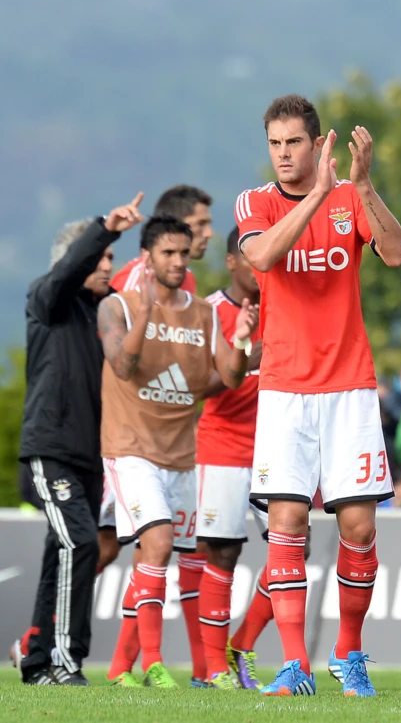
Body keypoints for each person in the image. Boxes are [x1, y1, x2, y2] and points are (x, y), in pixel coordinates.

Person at [235, 94, 401, 697]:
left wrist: (362, 186)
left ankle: (347, 653)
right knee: (287, 523)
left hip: (349, 387)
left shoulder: (349, 198)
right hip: (284, 388)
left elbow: (395, 254)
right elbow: (261, 255)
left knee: (358, 529)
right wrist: (316, 195)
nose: (283, 154)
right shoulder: (256, 202)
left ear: (315, 143)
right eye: (274, 144)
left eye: (293, 143)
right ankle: (293, 665)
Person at [99, 216, 257, 689]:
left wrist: (242, 339)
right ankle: (153, 663)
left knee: (158, 559)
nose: (178, 261)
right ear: (146, 257)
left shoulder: (202, 314)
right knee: (160, 545)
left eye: (183, 253)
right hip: (130, 450)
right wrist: (147, 315)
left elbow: (230, 377)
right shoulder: (117, 306)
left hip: (182, 457)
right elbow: (121, 365)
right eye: (168, 252)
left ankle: (120, 669)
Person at [16, 195, 144, 686]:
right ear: (75, 258)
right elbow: (67, 271)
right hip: (51, 451)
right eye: (100, 256)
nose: (107, 264)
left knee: (62, 553)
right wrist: (105, 228)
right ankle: (66, 659)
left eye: (111, 257)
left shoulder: (103, 315)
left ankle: (37, 662)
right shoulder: (46, 300)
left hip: (91, 456)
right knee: (81, 542)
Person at [191, 227, 265, 690]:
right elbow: (200, 385)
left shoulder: (286, 303)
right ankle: (215, 667)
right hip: (223, 447)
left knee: (296, 549)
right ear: (232, 262)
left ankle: (243, 642)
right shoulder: (209, 311)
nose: (260, 265)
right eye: (250, 257)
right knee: (223, 551)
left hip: (276, 447)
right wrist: (248, 355)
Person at [110, 185, 213, 294]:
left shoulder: (187, 277)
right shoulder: (135, 281)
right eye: (201, 224)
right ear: (175, 224)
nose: (209, 234)